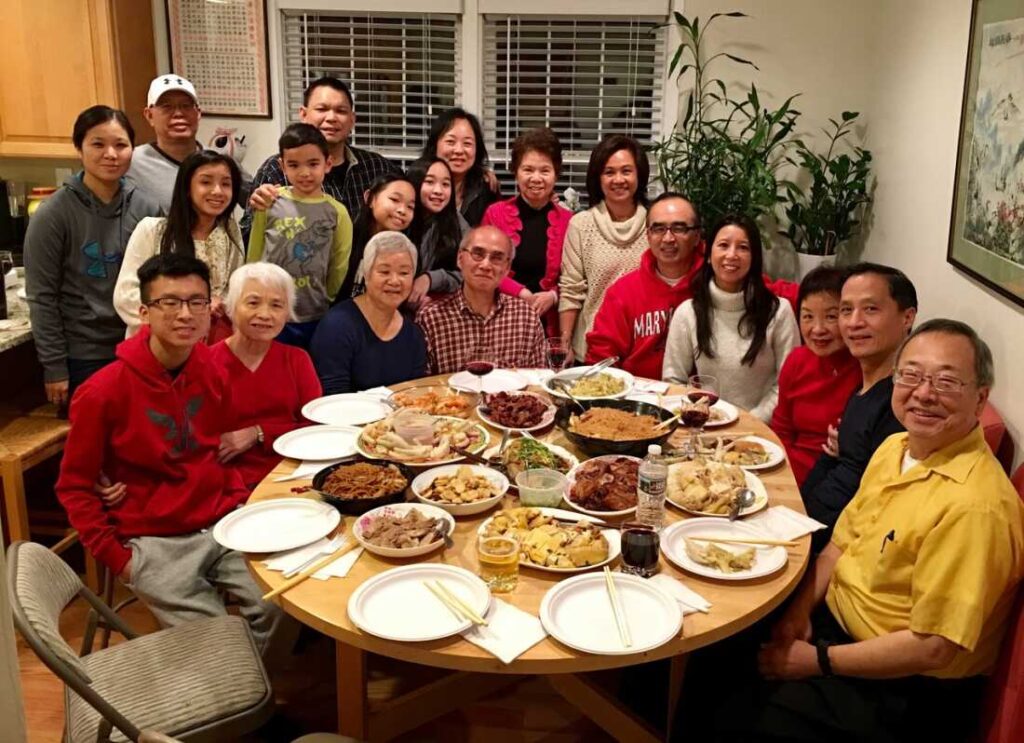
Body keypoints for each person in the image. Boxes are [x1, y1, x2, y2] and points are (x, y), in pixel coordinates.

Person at [716, 319, 1024, 743]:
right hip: (835, 630)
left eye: (947, 381)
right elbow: (838, 546)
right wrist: (797, 613)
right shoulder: (895, 448)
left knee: (739, 718)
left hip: (901, 688)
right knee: (715, 647)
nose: (924, 393)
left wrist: (815, 661)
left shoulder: (975, 506)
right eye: (911, 375)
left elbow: (932, 647)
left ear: (980, 398)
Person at [55, 253, 289, 660]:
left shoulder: (212, 369)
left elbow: (217, 445)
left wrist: (234, 498)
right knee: (220, 642)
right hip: (152, 540)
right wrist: (120, 559)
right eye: (170, 302)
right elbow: (74, 486)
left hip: (220, 522)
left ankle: (247, 696)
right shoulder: (102, 392)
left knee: (281, 603)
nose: (185, 314)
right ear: (145, 311)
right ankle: (242, 702)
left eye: (196, 302)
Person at [24, 105, 161, 407]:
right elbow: (41, 297)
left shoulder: (147, 209)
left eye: (121, 145)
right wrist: (55, 367)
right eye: (98, 144)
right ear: (79, 148)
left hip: (139, 347)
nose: (110, 154)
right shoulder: (53, 214)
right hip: (83, 355)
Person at [802, 263, 917, 548]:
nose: (854, 323)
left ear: (907, 317)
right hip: (802, 526)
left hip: (826, 550)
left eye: (870, 309)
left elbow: (871, 515)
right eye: (845, 310)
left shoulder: (901, 403)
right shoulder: (866, 386)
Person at [663, 215, 798, 422]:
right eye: (723, 245)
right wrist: (702, 418)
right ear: (709, 255)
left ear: (754, 258)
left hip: (758, 430)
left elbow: (787, 384)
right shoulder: (688, 312)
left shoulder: (778, 312)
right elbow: (674, 381)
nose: (732, 255)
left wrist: (750, 422)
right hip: (703, 424)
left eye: (743, 248)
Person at [243, 75, 400, 240]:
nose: (331, 118)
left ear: (352, 120)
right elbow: (248, 235)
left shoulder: (378, 167)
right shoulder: (276, 169)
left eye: (341, 111)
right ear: (303, 114)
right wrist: (258, 209)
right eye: (322, 109)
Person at [211, 263, 322, 490]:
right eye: (253, 303)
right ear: (232, 307)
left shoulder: (297, 360)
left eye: (277, 305)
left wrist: (259, 433)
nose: (265, 314)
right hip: (227, 483)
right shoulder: (206, 363)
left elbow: (315, 427)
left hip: (292, 475)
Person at [114, 150, 244, 340]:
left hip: (211, 345)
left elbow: (233, 289)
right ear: (187, 188)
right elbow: (125, 296)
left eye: (226, 184)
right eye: (206, 182)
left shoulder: (230, 230)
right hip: (156, 345)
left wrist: (220, 303)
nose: (217, 191)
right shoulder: (152, 230)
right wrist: (180, 316)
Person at [246, 123, 353, 349]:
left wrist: (326, 297)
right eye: (294, 165)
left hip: (315, 312)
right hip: (271, 311)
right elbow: (254, 253)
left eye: (313, 164)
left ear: (328, 163)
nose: (305, 173)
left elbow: (339, 264)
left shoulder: (337, 212)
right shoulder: (270, 202)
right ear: (282, 166)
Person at [584, 192, 704, 379]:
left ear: (697, 236)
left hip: (700, 398)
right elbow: (602, 356)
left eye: (679, 228)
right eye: (658, 229)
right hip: (638, 398)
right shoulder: (623, 292)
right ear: (647, 235)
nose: (668, 239)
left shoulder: (716, 285)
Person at [558, 134, 650, 362]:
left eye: (626, 171)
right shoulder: (581, 225)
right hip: (593, 346)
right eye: (609, 172)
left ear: (639, 174)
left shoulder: (656, 225)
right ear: (598, 178)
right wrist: (565, 343)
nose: (618, 179)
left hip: (644, 346)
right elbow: (571, 289)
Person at [770, 267, 863, 487]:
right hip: (785, 473)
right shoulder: (797, 361)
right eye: (808, 316)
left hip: (832, 483)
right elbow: (782, 429)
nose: (817, 329)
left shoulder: (863, 368)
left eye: (831, 316)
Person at [415, 226, 546, 374]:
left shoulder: (525, 316)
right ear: (460, 259)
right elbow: (422, 389)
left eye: (497, 258)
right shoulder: (431, 318)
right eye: (478, 254)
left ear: (507, 268)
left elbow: (537, 381)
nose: (485, 265)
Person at [310, 232, 427, 393]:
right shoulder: (337, 326)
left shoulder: (414, 335)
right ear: (366, 274)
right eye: (384, 272)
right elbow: (332, 397)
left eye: (404, 273)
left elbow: (414, 395)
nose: (394, 281)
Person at [481, 127, 573, 332]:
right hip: (499, 322)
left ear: (556, 174)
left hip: (550, 328)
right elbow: (483, 267)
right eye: (528, 170)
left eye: (545, 170)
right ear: (516, 171)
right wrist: (522, 293)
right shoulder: (495, 214)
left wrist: (553, 295)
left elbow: (576, 278)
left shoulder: (570, 221)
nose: (536, 178)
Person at [125, 75, 204, 211]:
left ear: (198, 113)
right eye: (167, 106)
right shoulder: (130, 161)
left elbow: (250, 199)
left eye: (186, 105)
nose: (178, 113)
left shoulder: (219, 160)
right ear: (149, 115)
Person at [338, 173, 417, 300]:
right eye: (395, 200)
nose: (402, 210)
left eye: (410, 207)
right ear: (370, 198)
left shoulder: (407, 251)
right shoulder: (347, 238)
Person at [405, 157, 468, 307]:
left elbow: (470, 272)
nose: (438, 191)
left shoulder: (456, 222)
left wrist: (432, 278)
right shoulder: (401, 217)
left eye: (446, 184)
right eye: (429, 182)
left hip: (444, 309)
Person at [421, 108, 499, 226]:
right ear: (434, 145)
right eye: (450, 142)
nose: (459, 150)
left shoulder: (486, 189)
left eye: (467, 143)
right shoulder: (416, 184)